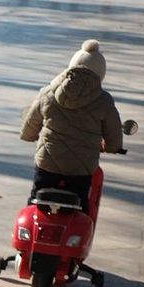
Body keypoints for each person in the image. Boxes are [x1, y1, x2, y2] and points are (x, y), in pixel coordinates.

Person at [20, 40, 124, 206]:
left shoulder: (48, 92)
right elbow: (114, 133)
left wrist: (28, 135)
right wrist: (112, 147)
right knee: (79, 205)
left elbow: (32, 121)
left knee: (37, 201)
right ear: (101, 73)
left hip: (47, 163)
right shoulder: (104, 101)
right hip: (81, 169)